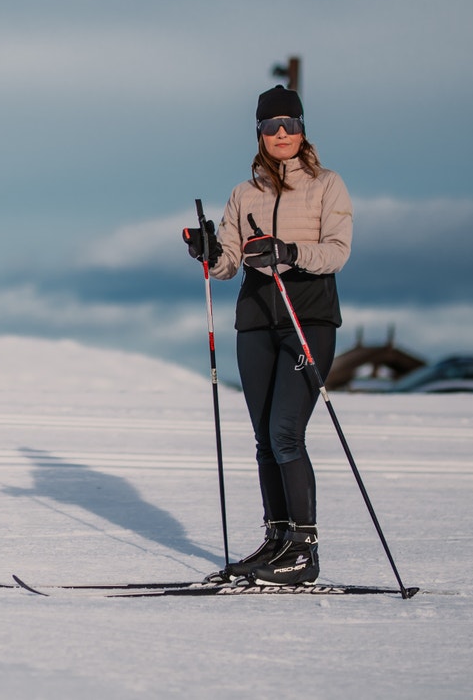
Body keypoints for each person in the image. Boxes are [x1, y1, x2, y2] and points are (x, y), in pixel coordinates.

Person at [187, 85, 352, 586]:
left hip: (309, 319)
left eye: (290, 125)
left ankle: (303, 548)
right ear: (258, 133)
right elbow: (230, 264)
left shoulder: (327, 185)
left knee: (285, 432)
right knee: (263, 439)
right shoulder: (245, 192)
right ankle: (277, 539)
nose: (282, 134)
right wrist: (210, 253)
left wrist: (290, 252)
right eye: (270, 126)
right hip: (256, 322)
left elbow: (337, 251)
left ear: (303, 130)